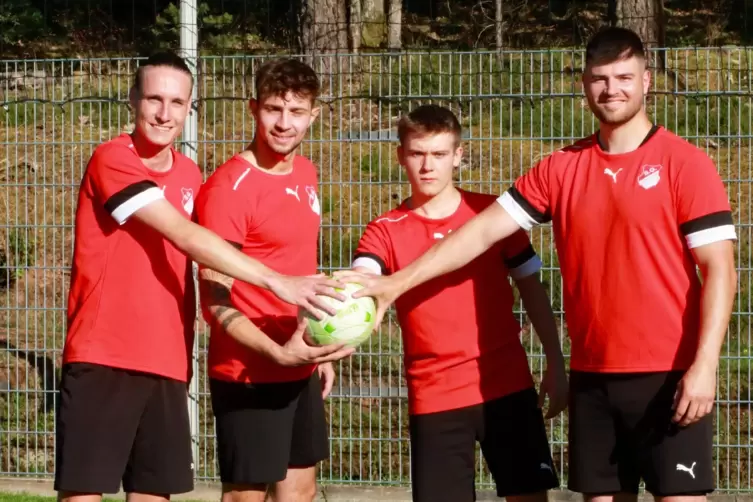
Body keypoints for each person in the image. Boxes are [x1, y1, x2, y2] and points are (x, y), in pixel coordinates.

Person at [342, 27, 737, 502]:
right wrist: (394, 285)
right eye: (599, 78)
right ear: (585, 84)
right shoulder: (560, 168)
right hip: (593, 377)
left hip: (671, 373)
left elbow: (720, 271)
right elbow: (479, 232)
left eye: (624, 77)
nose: (611, 89)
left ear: (647, 81)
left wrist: (706, 364)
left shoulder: (685, 163)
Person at [55, 52, 347, 502]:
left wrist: (317, 339)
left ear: (190, 108)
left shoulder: (191, 172)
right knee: (85, 494)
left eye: (177, 102)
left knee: (156, 494)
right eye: (153, 98)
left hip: (170, 358)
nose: (164, 113)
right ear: (133, 99)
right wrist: (277, 282)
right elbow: (185, 237)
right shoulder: (112, 159)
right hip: (106, 356)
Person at [348, 104, 568, 502]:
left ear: (458, 155)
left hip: (505, 384)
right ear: (401, 156)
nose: (427, 166)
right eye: (417, 154)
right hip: (435, 395)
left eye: (439, 154)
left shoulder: (492, 215)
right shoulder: (384, 230)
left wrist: (555, 359)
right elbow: (364, 277)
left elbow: (533, 289)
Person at [194, 58, 353, 502]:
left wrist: (320, 349)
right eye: (273, 109)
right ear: (253, 108)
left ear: (313, 115)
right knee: (246, 497)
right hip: (248, 371)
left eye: (296, 111)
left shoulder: (306, 173)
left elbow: (302, 267)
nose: (285, 123)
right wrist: (276, 354)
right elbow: (215, 299)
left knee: (300, 492)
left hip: (300, 360)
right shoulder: (228, 188)